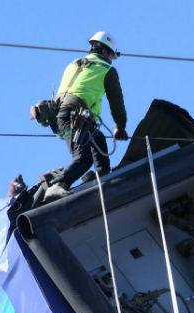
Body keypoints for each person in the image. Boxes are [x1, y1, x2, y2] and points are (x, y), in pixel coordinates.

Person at [49, 31, 128, 193]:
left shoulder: (73, 64)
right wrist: (120, 127)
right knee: (84, 159)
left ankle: (103, 174)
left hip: (58, 116)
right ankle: (58, 185)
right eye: (112, 55)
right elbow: (116, 103)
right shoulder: (106, 69)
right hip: (74, 117)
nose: (111, 60)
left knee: (97, 137)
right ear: (105, 51)